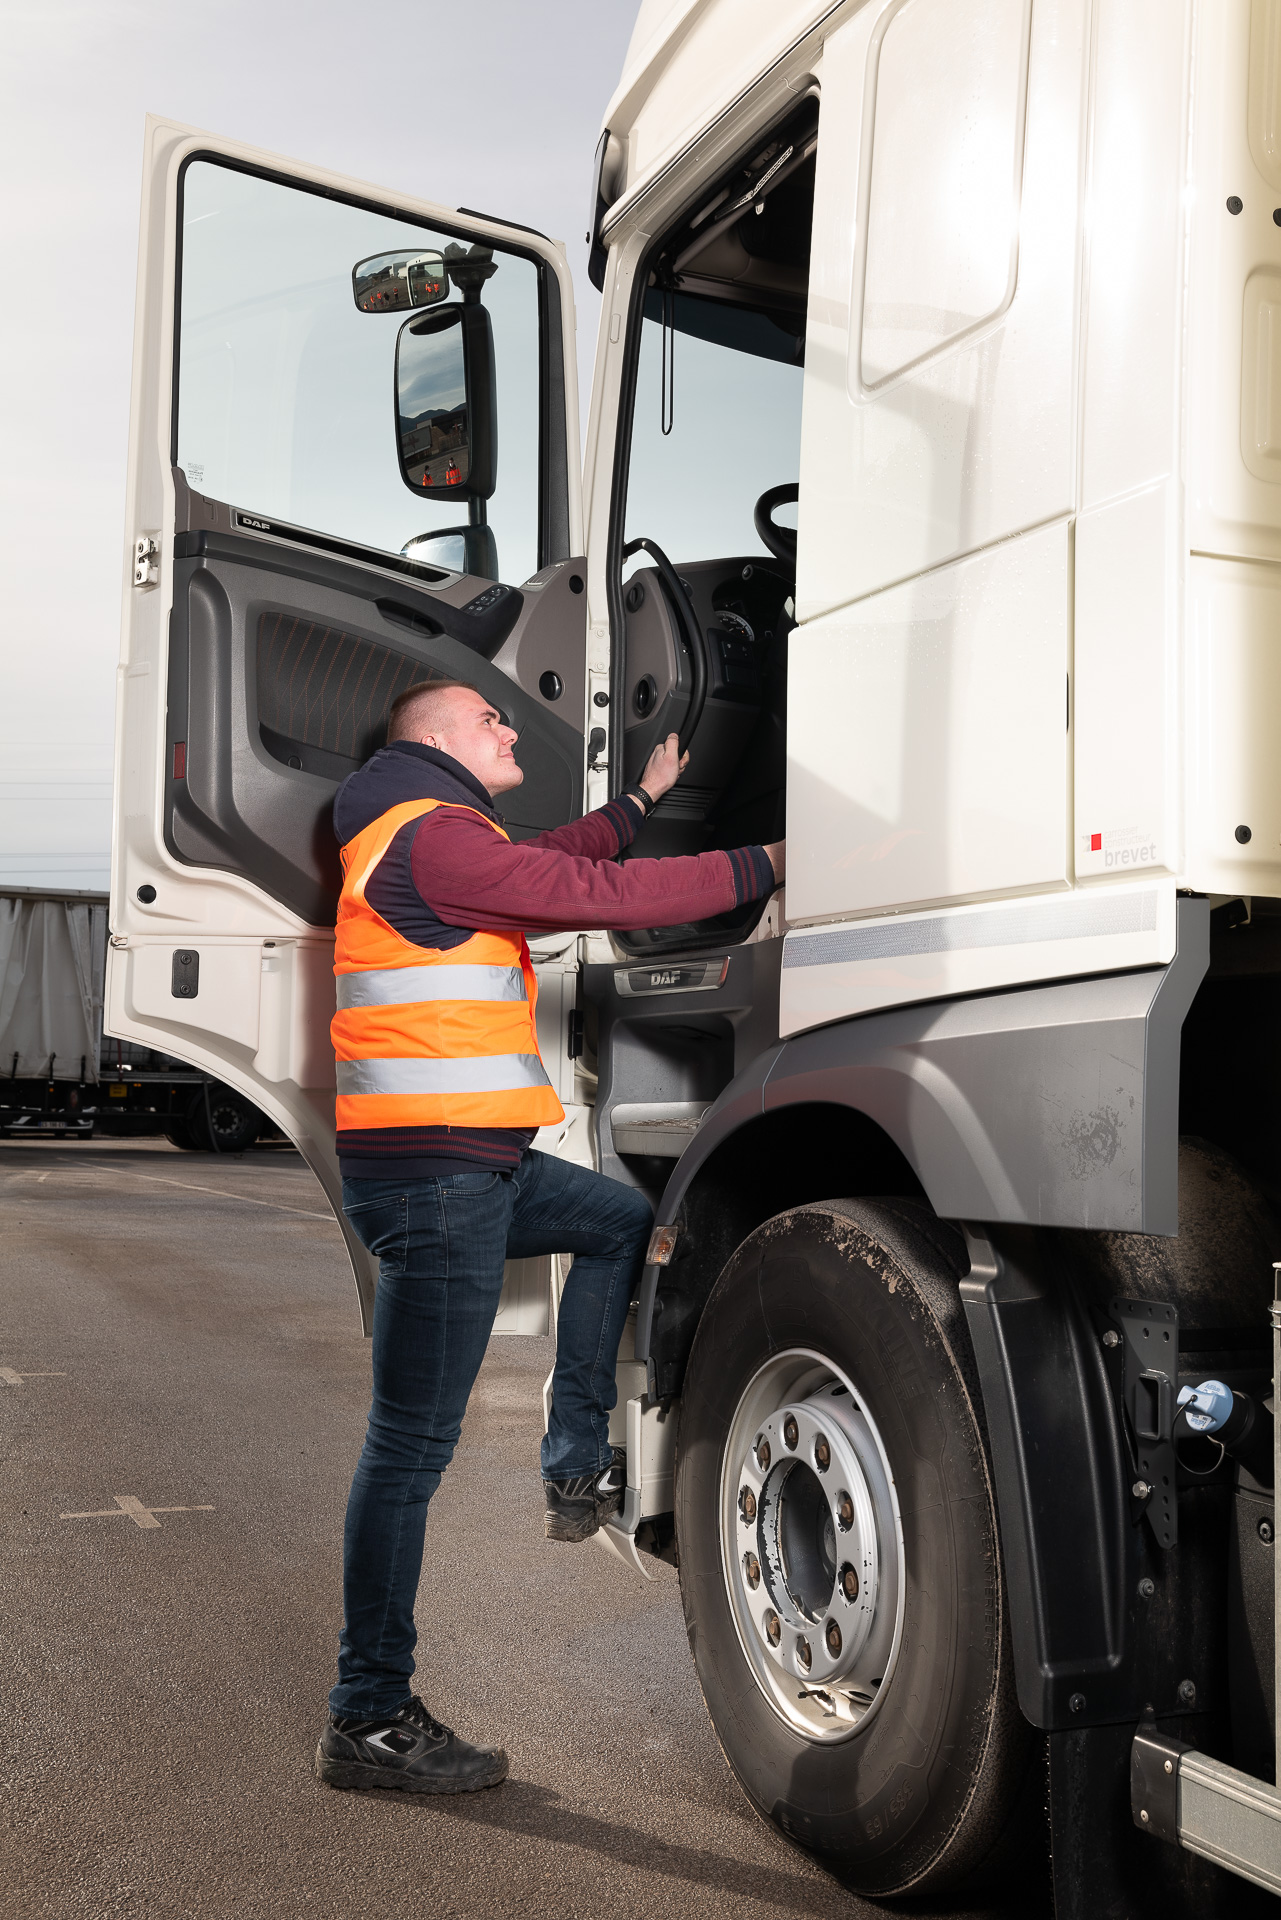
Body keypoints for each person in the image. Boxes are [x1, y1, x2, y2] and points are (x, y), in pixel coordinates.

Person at [314, 679, 785, 1797]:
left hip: (466, 1167)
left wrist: (639, 799)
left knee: (618, 1217)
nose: (510, 729)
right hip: (437, 1180)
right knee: (407, 1452)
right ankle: (368, 1714)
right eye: (490, 717)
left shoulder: (435, 831)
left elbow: (561, 857)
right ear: (433, 736)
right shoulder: (426, 837)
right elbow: (580, 889)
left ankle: (573, 1457)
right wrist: (766, 864)